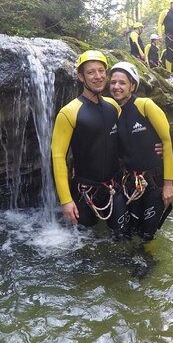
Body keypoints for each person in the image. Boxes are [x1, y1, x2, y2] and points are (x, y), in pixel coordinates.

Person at [51, 50, 128, 238]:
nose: (98, 76)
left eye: (101, 71)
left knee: (124, 237)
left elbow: (126, 139)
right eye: (91, 72)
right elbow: (58, 156)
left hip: (113, 189)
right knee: (85, 247)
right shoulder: (69, 112)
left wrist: (153, 149)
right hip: (84, 192)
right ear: (81, 76)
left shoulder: (113, 106)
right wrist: (66, 200)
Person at [109, 62, 173, 242]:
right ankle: (130, 260)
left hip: (154, 182)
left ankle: (147, 262)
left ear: (132, 85)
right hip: (130, 181)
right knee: (126, 232)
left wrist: (168, 184)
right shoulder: (114, 112)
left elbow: (167, 141)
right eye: (113, 82)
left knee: (147, 235)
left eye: (122, 82)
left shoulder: (145, 105)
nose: (116, 87)